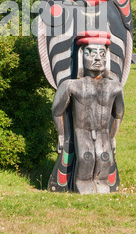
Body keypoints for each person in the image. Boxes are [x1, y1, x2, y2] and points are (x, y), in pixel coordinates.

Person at [52, 40, 124, 194]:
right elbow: (57, 111)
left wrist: (112, 137)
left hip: (103, 131)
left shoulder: (115, 87)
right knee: (86, 157)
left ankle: (101, 182)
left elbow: (118, 114)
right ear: (81, 57)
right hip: (82, 131)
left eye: (102, 54)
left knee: (104, 157)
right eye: (90, 53)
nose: (97, 58)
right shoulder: (71, 85)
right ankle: (82, 183)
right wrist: (61, 135)